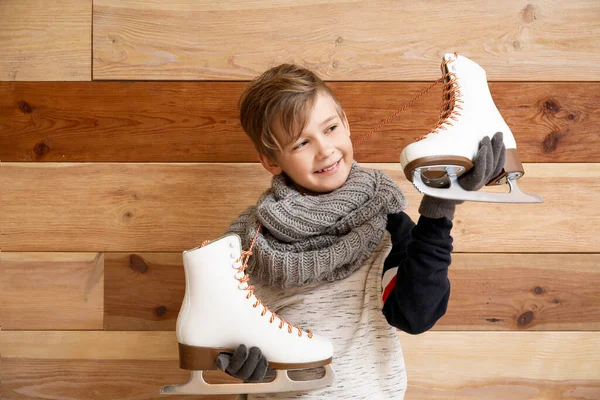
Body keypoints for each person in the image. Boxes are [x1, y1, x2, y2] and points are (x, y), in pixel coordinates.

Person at [218, 64, 505, 399]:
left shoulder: (385, 220)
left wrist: (439, 209)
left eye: (330, 128)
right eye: (301, 144)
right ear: (271, 161)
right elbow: (223, 333)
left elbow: (415, 315)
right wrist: (232, 359)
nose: (325, 149)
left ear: (347, 124)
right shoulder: (248, 243)